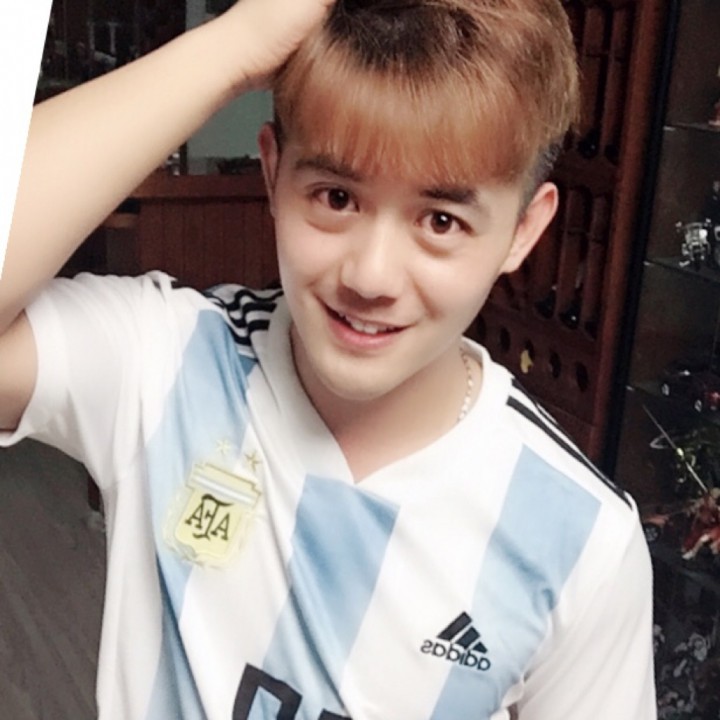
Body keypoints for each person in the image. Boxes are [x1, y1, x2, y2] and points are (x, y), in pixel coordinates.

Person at [0, 0, 656, 718]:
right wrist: (233, 46)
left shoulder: (584, 541)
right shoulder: (163, 361)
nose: (371, 276)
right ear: (272, 174)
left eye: (441, 221)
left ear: (523, 231)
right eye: (337, 197)